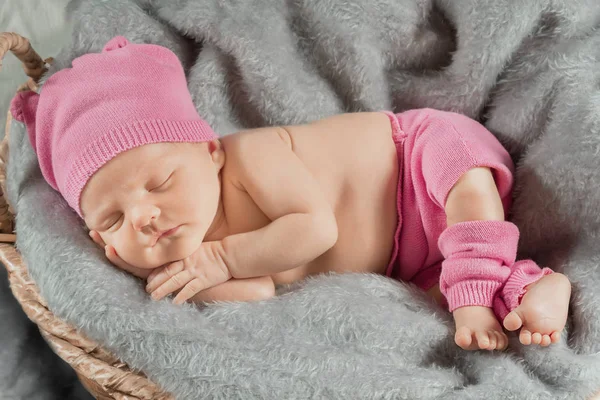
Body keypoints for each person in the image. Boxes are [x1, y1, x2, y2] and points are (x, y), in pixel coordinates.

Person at [11, 36, 571, 351]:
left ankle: (477, 287)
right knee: (440, 305)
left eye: (160, 182)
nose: (144, 216)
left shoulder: (249, 156)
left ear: (208, 152)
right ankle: (535, 287)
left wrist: (219, 257)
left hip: (418, 158)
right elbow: (256, 293)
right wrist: (183, 281)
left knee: (467, 195)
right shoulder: (191, 259)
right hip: (406, 258)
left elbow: (315, 229)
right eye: (111, 220)